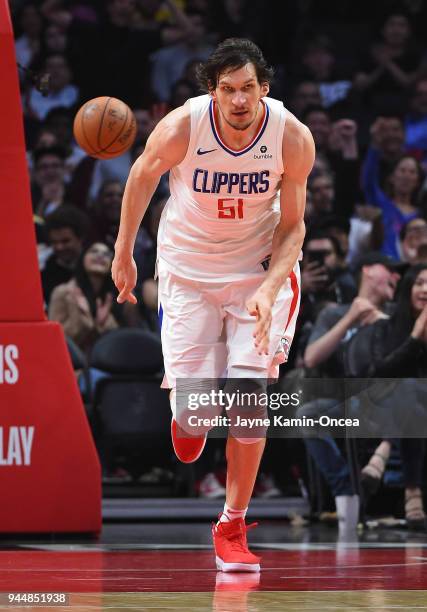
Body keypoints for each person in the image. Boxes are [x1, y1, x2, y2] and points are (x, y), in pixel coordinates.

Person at [112, 38, 314, 572]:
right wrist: (124, 252)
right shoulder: (185, 125)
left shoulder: (291, 137)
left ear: (264, 89)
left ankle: (231, 523)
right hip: (189, 270)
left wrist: (271, 288)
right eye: (229, 90)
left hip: (256, 271)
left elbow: (294, 227)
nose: (240, 100)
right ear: (213, 92)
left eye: (249, 88)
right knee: (192, 421)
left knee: (250, 403)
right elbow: (141, 175)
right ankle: (187, 415)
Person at [49, 242, 121, 355]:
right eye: (94, 251)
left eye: (107, 254)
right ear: (82, 258)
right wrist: (84, 321)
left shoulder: (118, 296)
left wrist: (102, 324)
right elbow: (54, 339)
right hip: (70, 364)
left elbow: (123, 340)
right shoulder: (63, 292)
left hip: (107, 365)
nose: (100, 256)